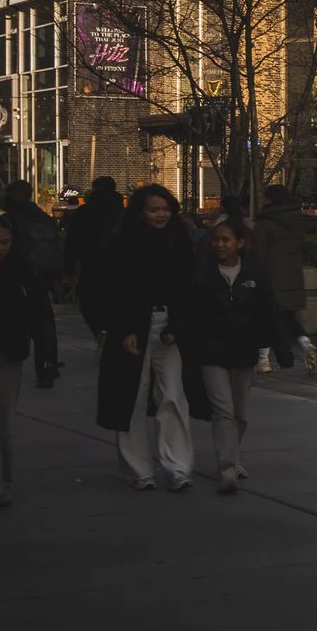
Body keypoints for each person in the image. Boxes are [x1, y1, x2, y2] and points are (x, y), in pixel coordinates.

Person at [172, 219, 293, 495]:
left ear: (240, 244)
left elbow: (270, 312)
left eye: (226, 240)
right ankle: (226, 467)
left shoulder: (255, 274)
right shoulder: (202, 274)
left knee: (239, 413)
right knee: (223, 411)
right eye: (216, 240)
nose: (220, 245)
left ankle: (233, 457)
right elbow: (187, 310)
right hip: (211, 353)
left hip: (244, 352)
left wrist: (282, 348)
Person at [94, 185, 197, 492]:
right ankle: (139, 470)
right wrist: (124, 330)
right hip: (133, 327)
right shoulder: (124, 243)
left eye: (165, 208)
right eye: (154, 209)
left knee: (173, 397)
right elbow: (112, 291)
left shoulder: (180, 241)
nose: (161, 214)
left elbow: (188, 288)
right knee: (132, 400)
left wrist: (177, 326)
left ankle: (177, 466)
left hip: (169, 326)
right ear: (141, 211)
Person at [0, 214, 60, 516]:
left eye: (4, 243)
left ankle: (1, 483)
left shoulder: (22, 273)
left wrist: (47, 358)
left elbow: (41, 317)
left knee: (2, 424)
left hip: (8, 353)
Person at [251, 184, 317, 373]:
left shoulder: (264, 222)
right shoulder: (296, 221)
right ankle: (306, 344)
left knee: (263, 318)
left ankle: (263, 360)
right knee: (289, 318)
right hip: (293, 277)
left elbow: (259, 253)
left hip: (270, 278)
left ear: (270, 199)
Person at [66, 176, 122, 333]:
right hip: (119, 269)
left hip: (90, 266)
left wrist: (68, 270)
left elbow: (72, 244)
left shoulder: (83, 213)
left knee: (92, 307)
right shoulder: (123, 213)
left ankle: (102, 338)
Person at [1, 182, 63, 299]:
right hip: (43, 273)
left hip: (17, 273)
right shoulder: (44, 219)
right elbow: (55, 247)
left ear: (12, 195)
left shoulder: (10, 220)